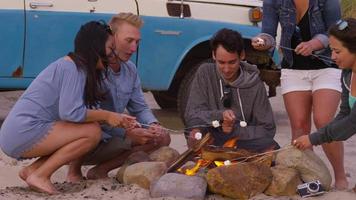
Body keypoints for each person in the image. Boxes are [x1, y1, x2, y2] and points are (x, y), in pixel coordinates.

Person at [0, 21, 136, 194]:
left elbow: (82, 112)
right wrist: (108, 115)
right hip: (22, 131)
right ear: (95, 48)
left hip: (21, 132)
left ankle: (33, 171)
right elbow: (71, 112)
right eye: (110, 48)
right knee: (91, 132)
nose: (112, 54)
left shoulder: (79, 69)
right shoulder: (71, 68)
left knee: (88, 128)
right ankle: (41, 175)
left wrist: (121, 124)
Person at [251, 0, 348, 189]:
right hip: (293, 68)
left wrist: (314, 43)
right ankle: (309, 177)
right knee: (299, 125)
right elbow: (269, 32)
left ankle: (340, 175)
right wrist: (262, 41)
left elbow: (336, 30)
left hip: (327, 65)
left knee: (324, 121)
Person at [80, 13, 171, 180]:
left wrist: (153, 124)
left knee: (162, 137)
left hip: (114, 135)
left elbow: (140, 107)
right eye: (129, 41)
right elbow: (84, 114)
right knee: (90, 129)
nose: (134, 48)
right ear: (112, 38)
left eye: (137, 42)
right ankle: (75, 169)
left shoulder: (130, 70)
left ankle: (101, 170)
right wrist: (127, 134)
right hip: (87, 136)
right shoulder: (94, 67)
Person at [184, 28, 279, 153]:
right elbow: (192, 113)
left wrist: (234, 129)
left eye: (232, 62)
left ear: (242, 55)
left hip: (242, 141)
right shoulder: (205, 72)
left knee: (270, 145)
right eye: (221, 62)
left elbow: (268, 129)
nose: (227, 69)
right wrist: (220, 116)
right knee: (195, 132)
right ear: (213, 55)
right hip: (212, 137)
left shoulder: (254, 83)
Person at [294, 18, 356, 157]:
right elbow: (345, 113)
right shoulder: (347, 74)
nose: (332, 57)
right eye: (331, 50)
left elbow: (352, 123)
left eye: (337, 51)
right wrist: (321, 134)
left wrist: (313, 139)